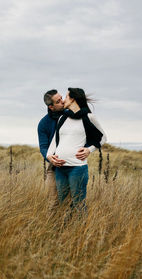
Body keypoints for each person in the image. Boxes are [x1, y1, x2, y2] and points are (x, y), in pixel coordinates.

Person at [46, 88, 107, 216]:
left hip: (77, 168)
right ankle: (68, 231)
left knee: (78, 203)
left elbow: (103, 137)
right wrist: (50, 157)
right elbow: (54, 142)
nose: (63, 100)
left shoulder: (88, 117)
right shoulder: (63, 118)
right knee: (64, 204)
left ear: (73, 99)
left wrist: (89, 150)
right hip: (60, 168)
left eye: (66, 97)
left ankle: (81, 231)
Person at [37, 89, 66, 212]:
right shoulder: (43, 124)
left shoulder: (72, 116)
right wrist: (48, 157)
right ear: (51, 107)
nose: (63, 102)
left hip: (73, 165)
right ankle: (52, 229)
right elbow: (43, 146)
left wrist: (86, 149)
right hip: (53, 167)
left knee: (71, 202)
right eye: (58, 101)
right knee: (53, 202)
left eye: (62, 98)